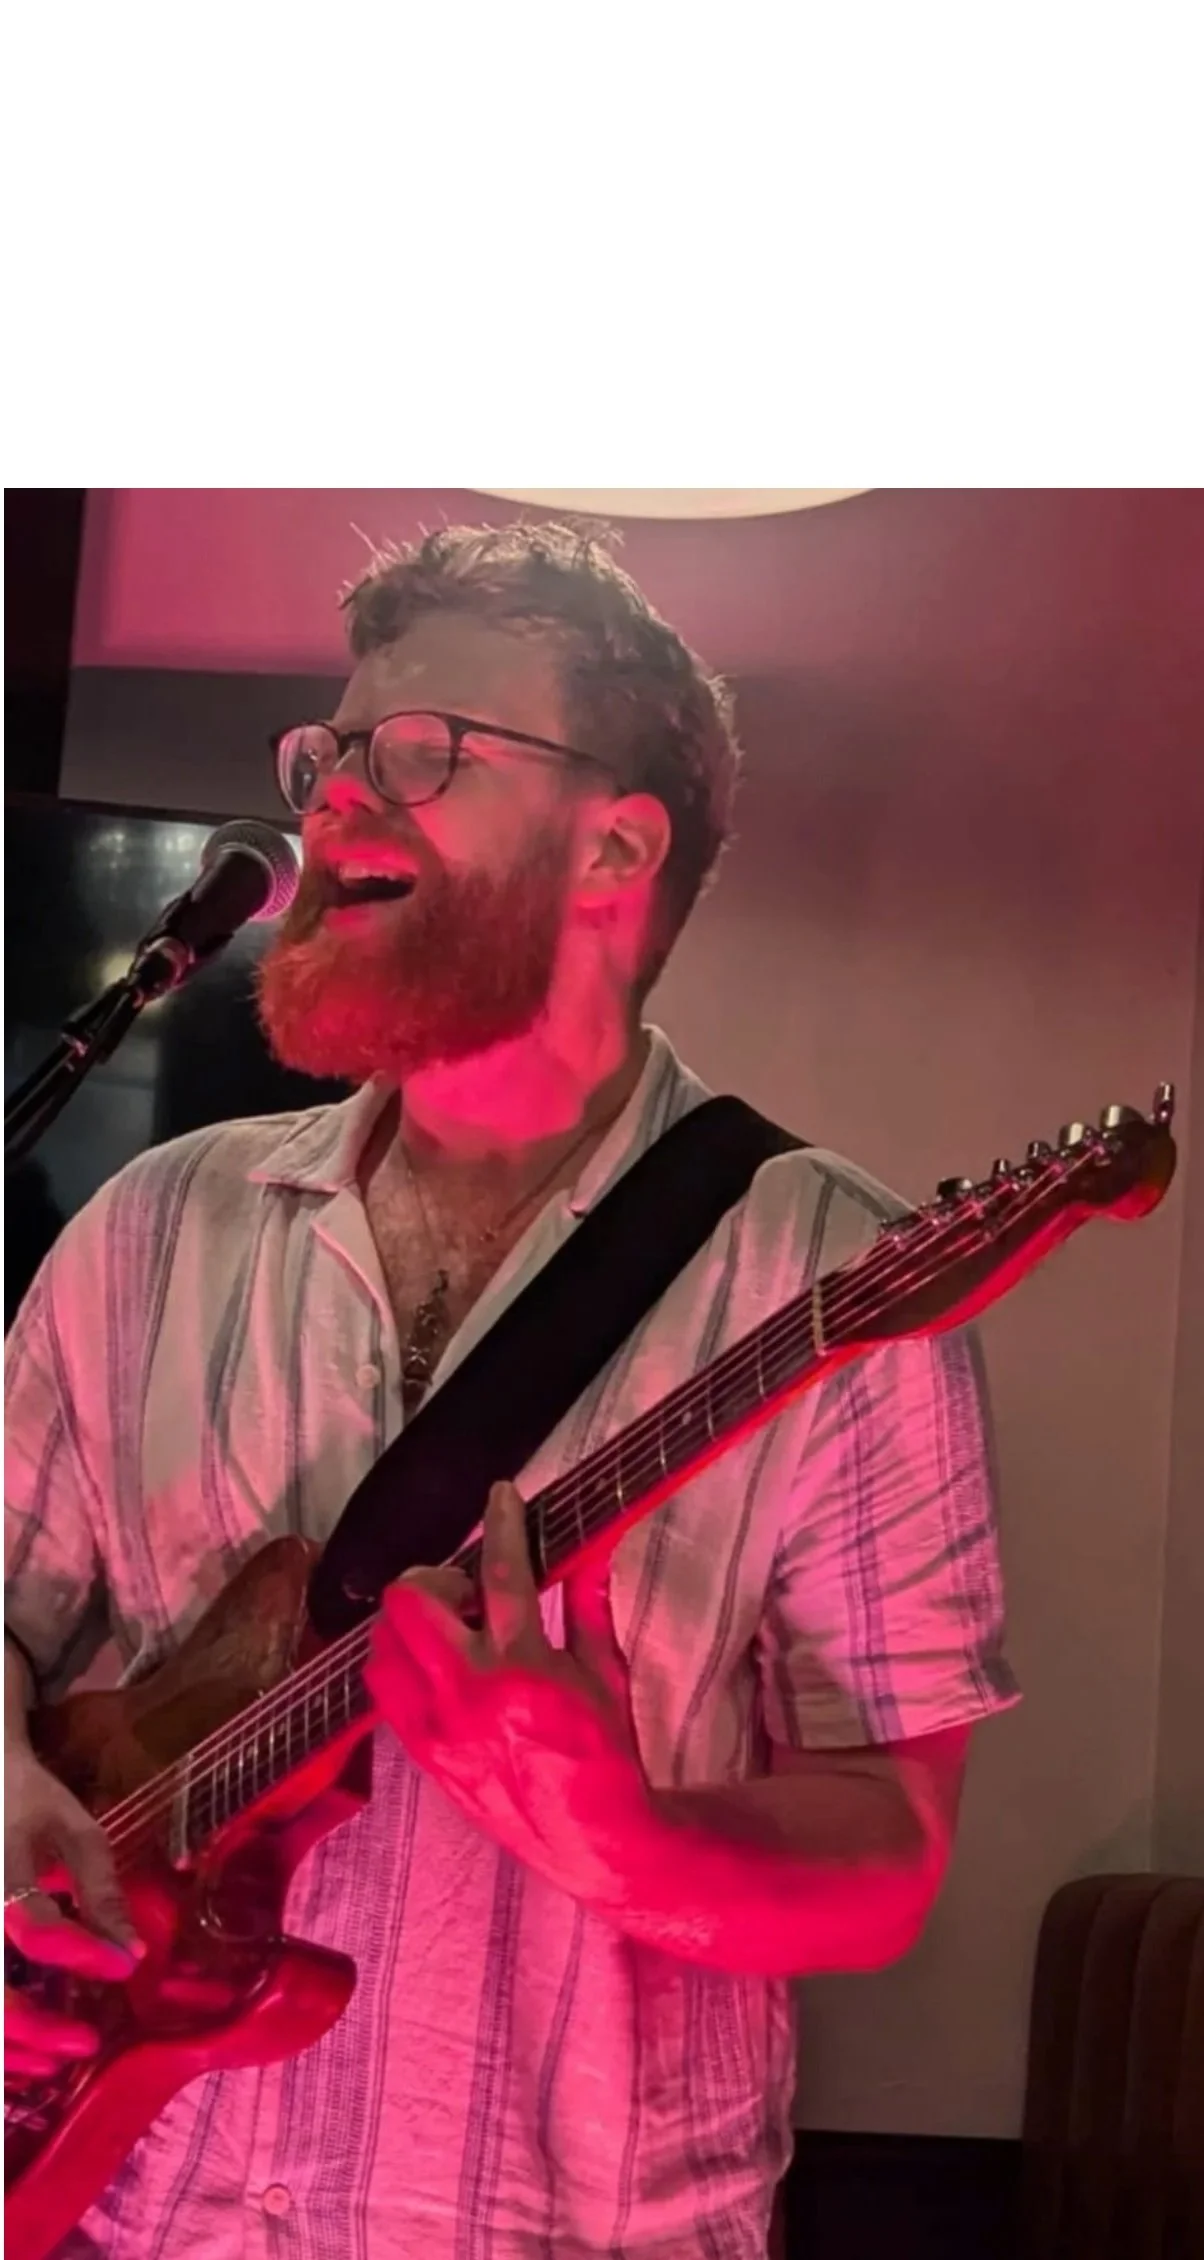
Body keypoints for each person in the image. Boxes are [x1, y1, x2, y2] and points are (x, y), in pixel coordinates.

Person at [4, 521, 1020, 2260]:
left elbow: (885, 1856)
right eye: (329, 753)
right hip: (135, 2206)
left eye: (424, 754)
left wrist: (613, 1827)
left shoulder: (835, 1280)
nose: (329, 803)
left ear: (616, 843)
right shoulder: (152, 1227)